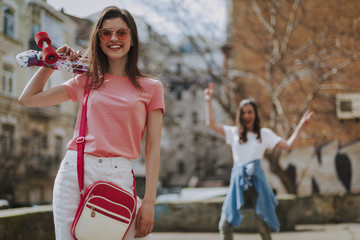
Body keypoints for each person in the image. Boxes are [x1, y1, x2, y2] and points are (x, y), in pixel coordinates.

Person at [18, 6, 164, 240]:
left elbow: (153, 147)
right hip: (75, 171)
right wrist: (52, 63)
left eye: (121, 33)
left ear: (133, 39)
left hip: (120, 174)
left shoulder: (151, 87)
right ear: (98, 39)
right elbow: (28, 99)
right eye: (106, 33)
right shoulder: (87, 79)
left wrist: (149, 202)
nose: (114, 38)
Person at [203, 82, 312, 240]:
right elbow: (211, 124)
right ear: (239, 115)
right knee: (225, 225)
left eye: (250, 112)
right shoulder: (233, 133)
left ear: (255, 114)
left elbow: (289, 145)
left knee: (263, 225)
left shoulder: (264, 134)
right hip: (237, 182)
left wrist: (301, 126)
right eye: (244, 113)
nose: (247, 116)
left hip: (257, 183)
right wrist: (208, 100)